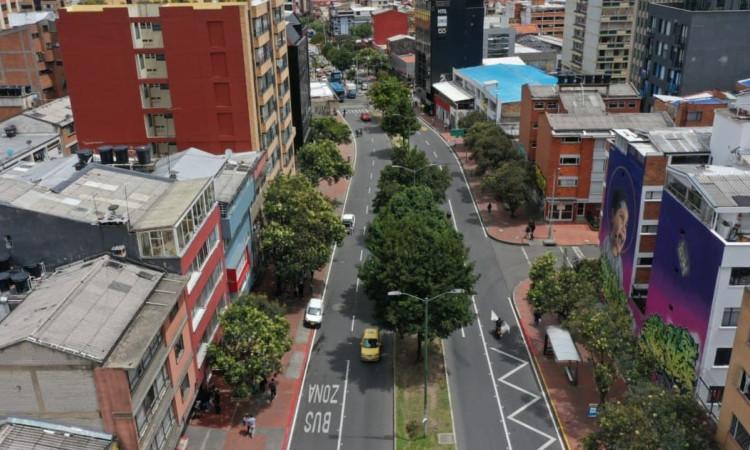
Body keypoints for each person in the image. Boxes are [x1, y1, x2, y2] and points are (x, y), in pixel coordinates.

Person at [601, 188, 628, 283]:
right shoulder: (606, 243)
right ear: (613, 215)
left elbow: (618, 288)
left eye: (626, 223)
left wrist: (618, 250)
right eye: (621, 217)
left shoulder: (618, 257)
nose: (623, 226)